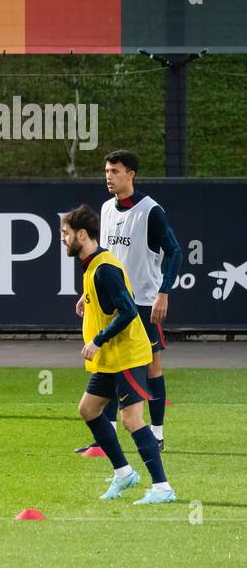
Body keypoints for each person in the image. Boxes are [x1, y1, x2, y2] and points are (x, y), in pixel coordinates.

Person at [61, 205, 175, 505]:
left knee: (131, 420)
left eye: (65, 234)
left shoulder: (104, 269)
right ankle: (124, 472)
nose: (63, 239)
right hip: (110, 358)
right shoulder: (93, 263)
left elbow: (127, 310)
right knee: (88, 410)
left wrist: (98, 340)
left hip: (126, 355)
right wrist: (87, 300)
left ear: (81, 235)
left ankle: (162, 487)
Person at [74, 150, 183, 456]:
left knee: (151, 367)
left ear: (131, 174)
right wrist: (87, 292)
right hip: (111, 302)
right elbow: (102, 256)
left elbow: (174, 251)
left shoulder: (150, 210)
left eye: (115, 171)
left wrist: (164, 291)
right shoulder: (107, 209)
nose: (109, 176)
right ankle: (103, 441)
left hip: (145, 302)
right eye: (107, 171)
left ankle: (158, 433)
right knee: (108, 364)